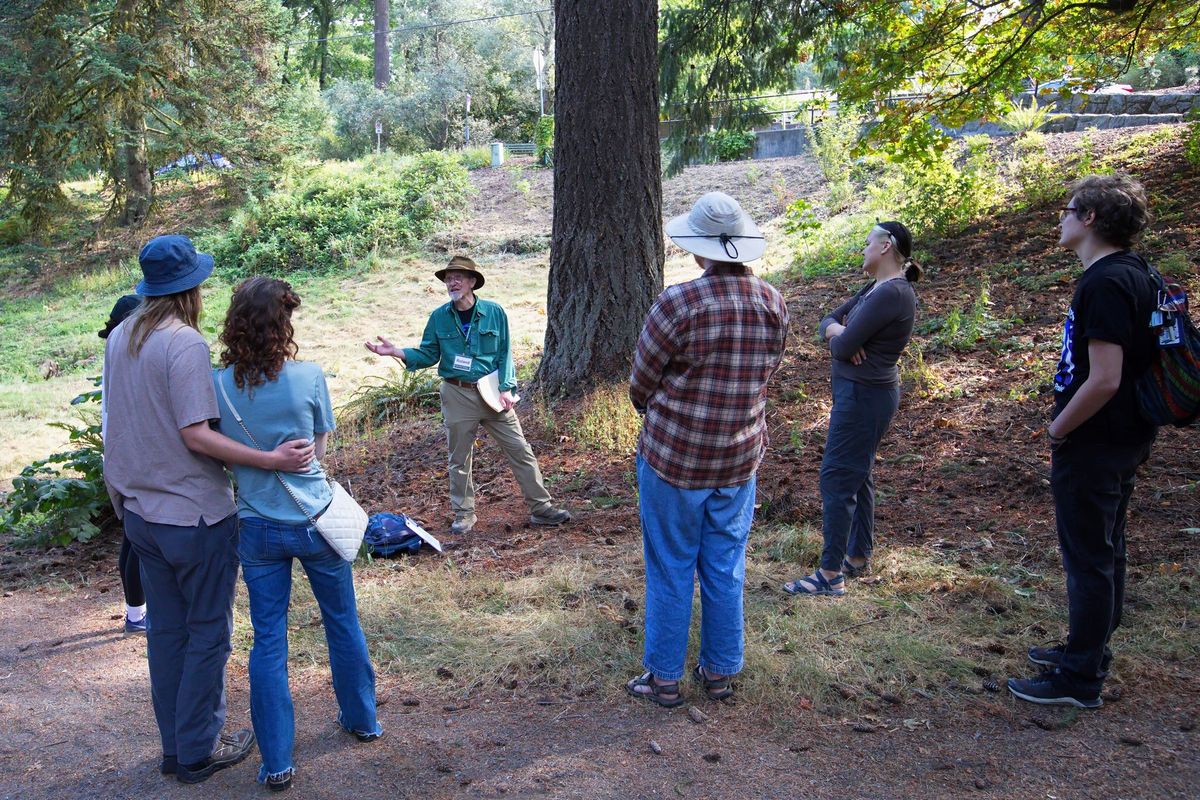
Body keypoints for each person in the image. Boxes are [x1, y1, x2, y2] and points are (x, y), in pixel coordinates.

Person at [102, 235, 315, 784]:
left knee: (167, 634)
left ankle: (176, 746)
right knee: (208, 635)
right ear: (190, 288)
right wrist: (268, 459)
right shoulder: (184, 344)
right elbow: (197, 435)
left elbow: (119, 423)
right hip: (194, 516)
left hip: (141, 514)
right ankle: (199, 748)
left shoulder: (122, 333)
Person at [214, 277, 383, 792]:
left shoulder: (217, 384)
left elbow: (218, 453)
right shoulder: (309, 377)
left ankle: (277, 763)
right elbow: (320, 451)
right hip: (313, 522)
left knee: (268, 640)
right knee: (341, 620)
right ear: (284, 323)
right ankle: (362, 720)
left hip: (256, 526)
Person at [626, 192, 788, 706]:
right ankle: (719, 673)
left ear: (700, 250)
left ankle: (665, 678)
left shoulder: (678, 303)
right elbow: (768, 372)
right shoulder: (772, 302)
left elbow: (640, 384)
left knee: (671, 564)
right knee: (724, 564)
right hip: (739, 458)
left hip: (675, 459)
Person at [1008, 174, 1159, 709]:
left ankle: (1078, 681)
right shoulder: (1137, 272)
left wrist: (1057, 428)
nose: (1061, 218)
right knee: (1106, 551)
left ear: (1091, 218)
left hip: (1095, 440)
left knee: (1090, 558)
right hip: (1125, 436)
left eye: (1069, 209)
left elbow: (1105, 378)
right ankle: (1087, 651)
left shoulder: (1105, 283)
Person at [365, 255, 571, 534]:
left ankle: (541, 508)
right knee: (459, 459)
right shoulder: (439, 317)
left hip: (492, 392)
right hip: (456, 393)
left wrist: (507, 387)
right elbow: (428, 354)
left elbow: (505, 352)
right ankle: (464, 514)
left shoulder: (495, 312)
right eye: (449, 278)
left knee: (520, 450)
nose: (453, 282)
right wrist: (397, 352)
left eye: (459, 277)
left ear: (473, 282)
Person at [784, 221, 921, 598]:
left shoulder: (891, 293)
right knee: (859, 474)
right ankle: (857, 555)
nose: (862, 250)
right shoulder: (875, 288)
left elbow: (843, 349)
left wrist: (843, 338)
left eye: (866, 243)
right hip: (859, 395)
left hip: (865, 397)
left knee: (837, 477)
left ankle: (830, 574)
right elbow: (827, 321)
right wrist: (839, 330)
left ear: (885, 246)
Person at [99, 294, 146, 633]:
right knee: (137, 540)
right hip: (130, 455)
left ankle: (136, 613)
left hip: (119, 454)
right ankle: (137, 615)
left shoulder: (115, 352)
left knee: (133, 538)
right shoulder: (127, 352)